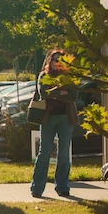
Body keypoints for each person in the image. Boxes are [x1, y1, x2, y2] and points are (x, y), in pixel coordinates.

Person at [30, 50, 79, 198]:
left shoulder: (70, 77)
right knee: (44, 152)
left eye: (60, 60)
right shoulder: (44, 76)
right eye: (54, 60)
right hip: (48, 118)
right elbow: (44, 93)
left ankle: (62, 187)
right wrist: (62, 92)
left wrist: (56, 92)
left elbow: (73, 97)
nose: (57, 63)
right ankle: (37, 188)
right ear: (49, 62)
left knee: (64, 153)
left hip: (66, 118)